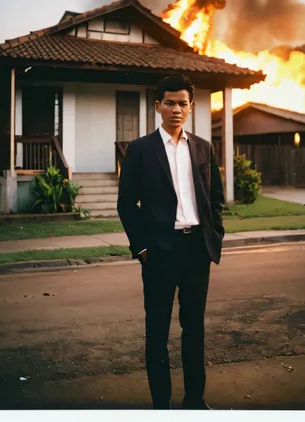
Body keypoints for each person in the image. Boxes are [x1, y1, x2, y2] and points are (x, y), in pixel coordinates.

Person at [117, 75, 225, 410]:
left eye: (182, 103)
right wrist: (142, 248)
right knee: (158, 332)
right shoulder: (139, 150)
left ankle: (195, 401)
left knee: (194, 329)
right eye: (169, 103)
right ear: (157, 106)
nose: (176, 109)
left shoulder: (204, 148)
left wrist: (214, 235)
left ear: (191, 107)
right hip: (160, 252)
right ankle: (160, 407)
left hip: (196, 251)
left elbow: (215, 199)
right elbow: (126, 204)